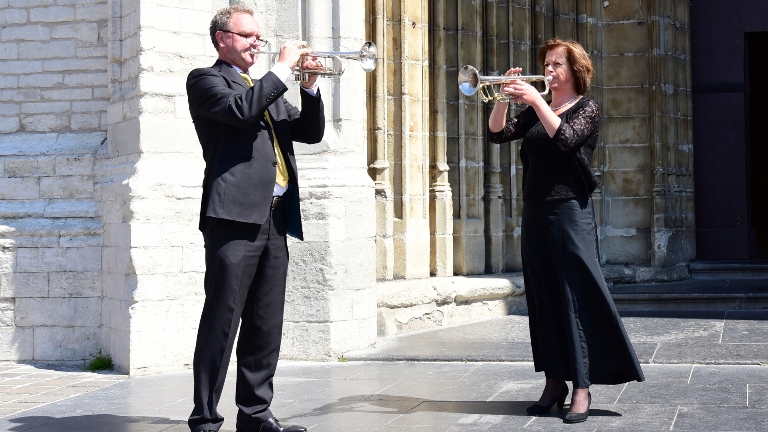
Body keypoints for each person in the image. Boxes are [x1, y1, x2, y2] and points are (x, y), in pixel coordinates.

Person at [487, 38, 645, 424]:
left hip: (570, 213)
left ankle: (582, 387)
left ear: (576, 71)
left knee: (576, 297)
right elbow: (497, 134)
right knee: (543, 299)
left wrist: (537, 101)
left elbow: (567, 139)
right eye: (546, 64)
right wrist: (504, 98)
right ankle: (554, 382)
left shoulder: (586, 109)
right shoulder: (543, 109)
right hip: (536, 213)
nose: (549, 71)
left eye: (557, 64)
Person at [185, 5, 325, 432]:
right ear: (222, 38)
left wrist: (311, 87)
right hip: (232, 218)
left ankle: (256, 415)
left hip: (275, 219)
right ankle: (205, 419)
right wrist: (282, 68)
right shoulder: (206, 80)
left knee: (266, 324)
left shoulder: (265, 89)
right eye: (248, 36)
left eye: (258, 37)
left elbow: (310, 132)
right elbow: (241, 112)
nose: (256, 44)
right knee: (222, 321)